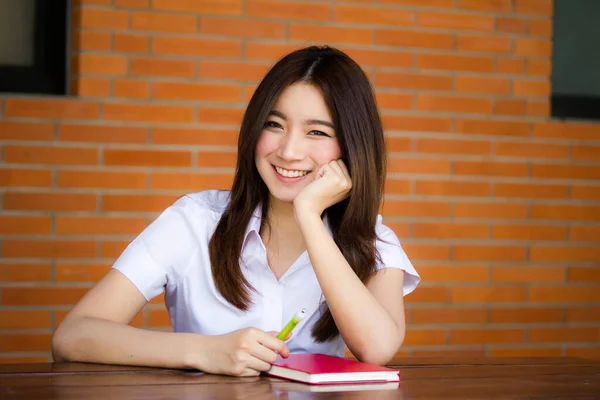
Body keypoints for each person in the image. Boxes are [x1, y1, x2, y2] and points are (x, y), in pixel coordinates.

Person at [51, 45, 420, 377]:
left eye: (317, 133)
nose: (289, 151)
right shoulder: (194, 221)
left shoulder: (373, 240)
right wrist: (205, 351)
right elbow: (74, 335)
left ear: (352, 146)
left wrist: (309, 216)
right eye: (274, 125)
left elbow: (377, 348)